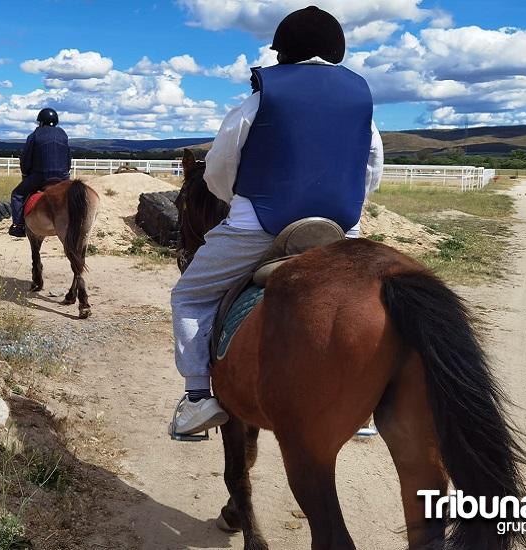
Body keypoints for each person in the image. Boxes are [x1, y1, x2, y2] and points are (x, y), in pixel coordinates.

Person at [168, 5, 384, 438]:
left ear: (283, 52)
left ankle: (196, 399)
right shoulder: (362, 103)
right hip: (340, 231)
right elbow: (371, 170)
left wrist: (239, 202)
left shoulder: (260, 98)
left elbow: (218, 169)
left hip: (259, 227)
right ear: (336, 50)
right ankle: (364, 406)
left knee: (189, 296)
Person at [8, 108, 71, 237]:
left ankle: (18, 226)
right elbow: (68, 158)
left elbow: (26, 159)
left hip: (42, 176)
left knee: (17, 195)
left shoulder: (35, 135)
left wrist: (26, 174)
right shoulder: (63, 135)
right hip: (63, 177)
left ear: (41, 122)